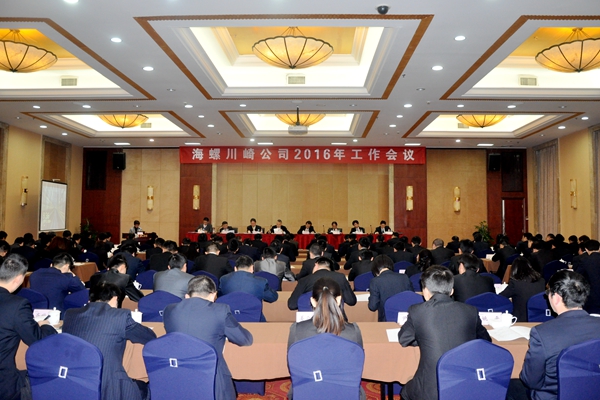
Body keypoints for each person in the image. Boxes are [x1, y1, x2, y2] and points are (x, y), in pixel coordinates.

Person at [398, 266, 491, 400]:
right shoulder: (470, 310)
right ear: (452, 291)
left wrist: (426, 339)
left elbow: (404, 338)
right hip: (464, 384)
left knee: (405, 391)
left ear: (425, 291)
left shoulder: (417, 311)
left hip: (429, 390)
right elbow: (485, 340)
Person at [507, 270, 600, 400]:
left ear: (556, 298)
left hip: (552, 396)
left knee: (509, 386)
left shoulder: (542, 333)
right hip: (594, 393)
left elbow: (531, 381)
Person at [163, 276, 253, 400]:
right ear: (213, 295)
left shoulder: (169, 310)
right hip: (213, 378)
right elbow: (244, 339)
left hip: (177, 374)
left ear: (187, 296)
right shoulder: (221, 311)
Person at [63, 282, 156, 400]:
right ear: (115, 298)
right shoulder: (120, 316)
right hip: (110, 387)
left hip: (75, 383)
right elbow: (148, 337)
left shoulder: (70, 314)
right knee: (145, 389)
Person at [287, 277, 365, 400]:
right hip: (345, 394)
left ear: (313, 302)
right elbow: (356, 366)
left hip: (307, 393)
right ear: (339, 300)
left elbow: (293, 365)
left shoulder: (297, 330)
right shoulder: (353, 332)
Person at [0, 254, 57, 400]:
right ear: (19, 278)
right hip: (5, 384)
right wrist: (46, 326)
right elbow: (37, 339)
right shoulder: (17, 304)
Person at [220, 255, 278, 320]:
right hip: (254, 319)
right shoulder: (261, 281)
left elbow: (220, 298)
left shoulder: (224, 279)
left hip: (229, 319)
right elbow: (273, 297)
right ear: (252, 268)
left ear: (235, 268)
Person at [288, 257, 356, 311]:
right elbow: (351, 301)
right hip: (336, 319)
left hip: (311, 318)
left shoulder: (304, 280)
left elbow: (292, 305)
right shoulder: (340, 277)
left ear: (316, 265)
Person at [368, 254, 414, 321]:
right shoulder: (404, 277)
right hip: (406, 318)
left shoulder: (375, 281)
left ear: (375, 268)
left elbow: (372, 306)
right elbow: (412, 297)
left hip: (386, 319)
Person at [499, 257, 546, 322]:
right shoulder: (541, 281)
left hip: (520, 319)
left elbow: (501, 297)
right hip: (539, 318)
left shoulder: (515, 283)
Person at [576, 239, 600, 314]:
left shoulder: (584, 260)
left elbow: (578, 275)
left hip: (591, 297)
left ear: (586, 249)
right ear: (599, 248)